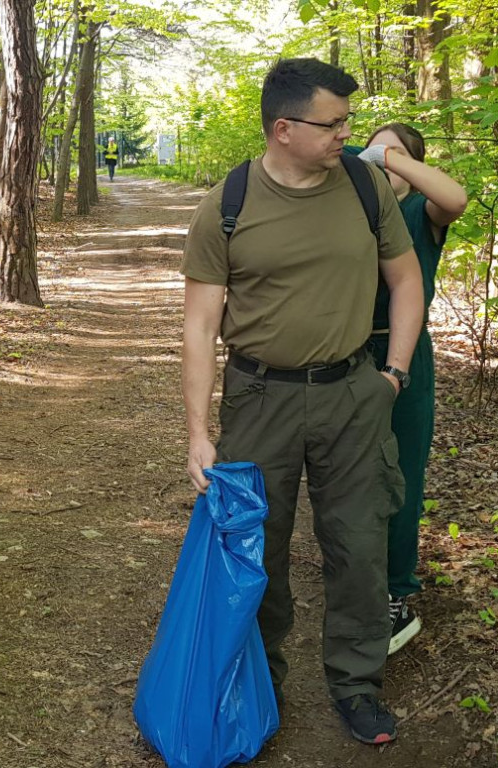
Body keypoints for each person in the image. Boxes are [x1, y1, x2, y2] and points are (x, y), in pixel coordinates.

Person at [181, 58, 423, 745]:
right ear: (283, 129)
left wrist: (394, 373)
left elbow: (405, 283)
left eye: (347, 120)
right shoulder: (227, 205)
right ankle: (261, 690)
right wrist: (198, 433)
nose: (347, 134)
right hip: (261, 399)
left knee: (360, 545)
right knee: (259, 552)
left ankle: (356, 685)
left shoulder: (363, 185)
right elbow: (199, 328)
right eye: (333, 123)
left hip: (354, 393)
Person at [355, 124, 467, 654]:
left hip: (407, 359)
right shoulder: (356, 208)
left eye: (392, 152)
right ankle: (359, 581)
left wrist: (390, 157)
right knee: (352, 476)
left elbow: (456, 198)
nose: (377, 159)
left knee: (402, 475)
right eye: (372, 149)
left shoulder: (422, 213)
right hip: (349, 355)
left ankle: (397, 594)